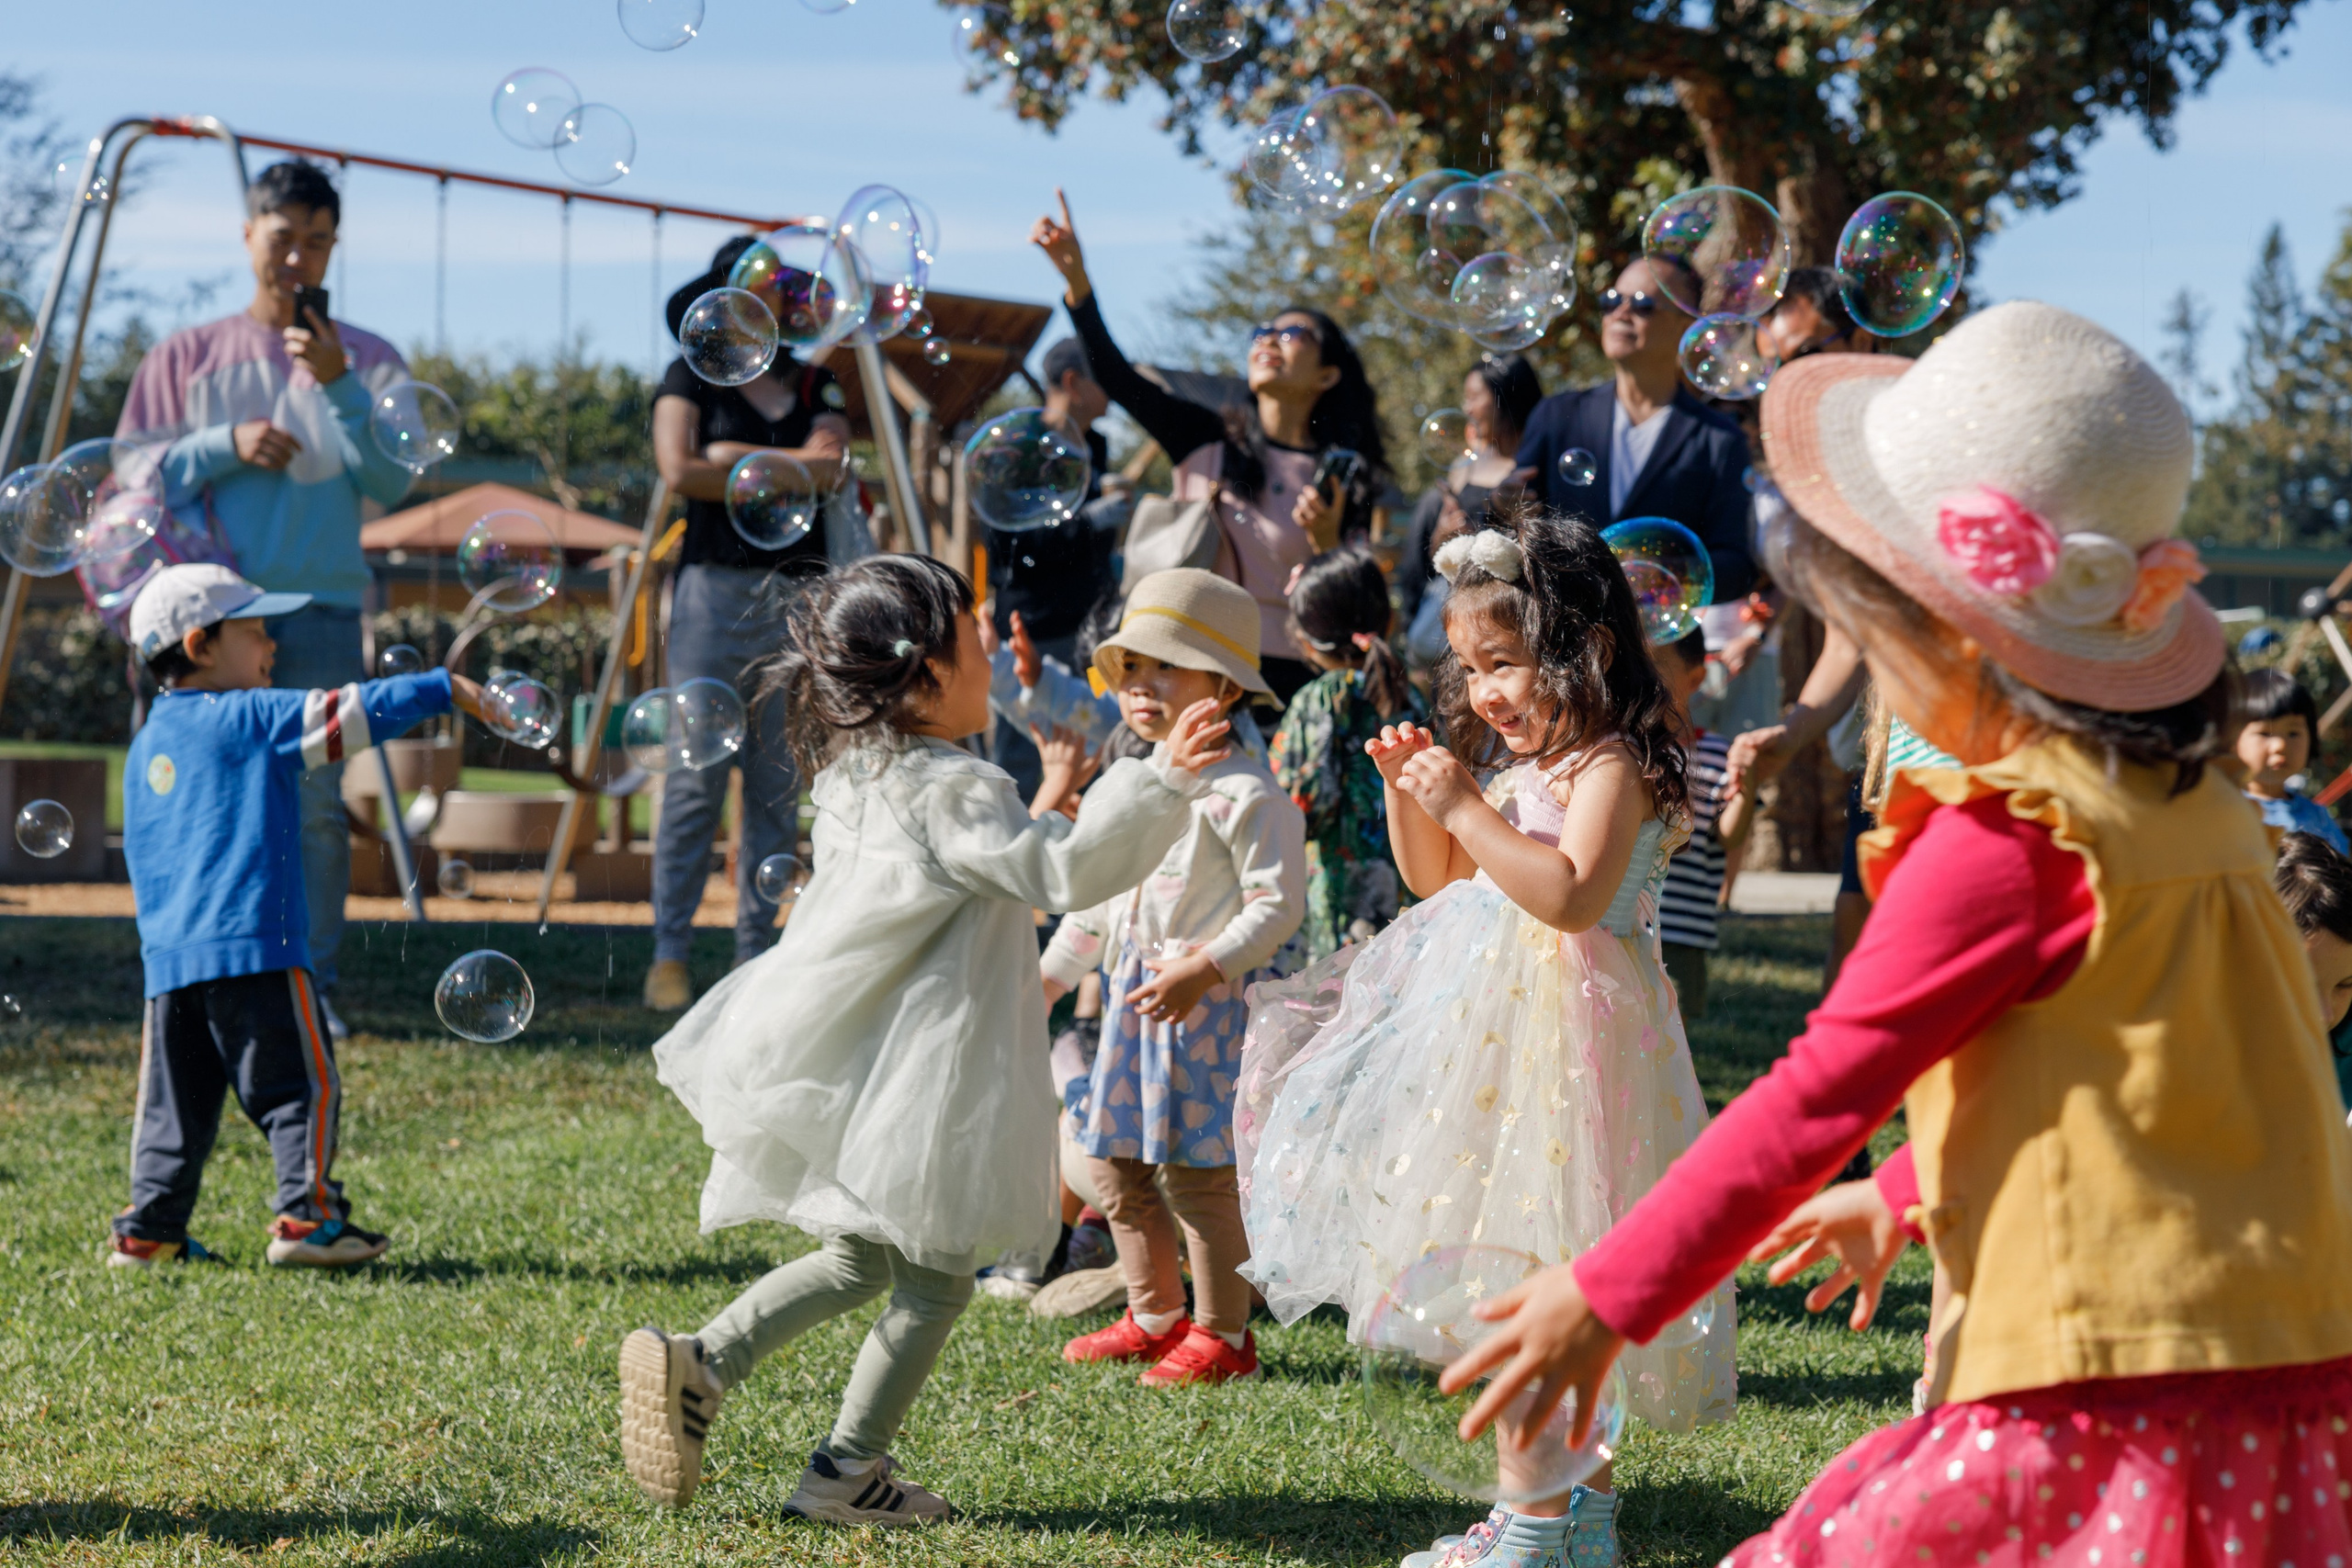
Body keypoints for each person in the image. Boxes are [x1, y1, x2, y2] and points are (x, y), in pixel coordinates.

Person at [1443, 302, 2352, 1568]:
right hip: (2288, 1403)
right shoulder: (2194, 806)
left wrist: (1603, 1293)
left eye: (1862, 627)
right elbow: (2171, 1084)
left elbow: (1820, 1091)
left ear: (1935, 624)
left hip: (2097, 1408)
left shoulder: (2011, 839)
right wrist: (1915, 1187)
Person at [621, 555, 1234, 1525]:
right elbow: (1059, 875)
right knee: (938, 1280)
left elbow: (979, 875)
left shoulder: (858, 771)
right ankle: (843, 1475)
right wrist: (1158, 782)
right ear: (926, 675)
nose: (989, 646)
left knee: (858, 1261)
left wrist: (1072, 785)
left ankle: (705, 1362)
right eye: (973, 634)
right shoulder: (955, 785)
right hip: (929, 1072)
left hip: (869, 1061)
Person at [1238, 509, 1736, 1568]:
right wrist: (1413, 796)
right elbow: (1442, 880)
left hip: (1577, 1051)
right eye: (1466, 670)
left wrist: (1465, 804)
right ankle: (1573, 1524)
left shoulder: (1612, 766)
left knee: (1544, 1273)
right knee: (1526, 1264)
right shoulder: (1523, 773)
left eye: (1501, 663)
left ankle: (1530, 1531)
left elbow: (1566, 895)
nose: (1481, 694)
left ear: (1584, 650)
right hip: (1501, 1052)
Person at [103, 160, 417, 1040]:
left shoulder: (372, 358)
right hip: (199, 619)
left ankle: (305, 994)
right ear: (249, 237)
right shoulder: (185, 358)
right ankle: (179, 980)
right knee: (182, 797)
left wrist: (341, 385)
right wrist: (222, 444)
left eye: (317, 242)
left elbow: (394, 479)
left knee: (313, 810)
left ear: (333, 247)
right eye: (284, 238)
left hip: (315, 611)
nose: (298, 259)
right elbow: (133, 472)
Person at [108, 565, 482, 1269]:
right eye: (256, 631)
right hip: (258, 949)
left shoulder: (145, 747)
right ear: (200, 645)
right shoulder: (249, 716)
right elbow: (349, 712)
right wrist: (439, 687)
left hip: (170, 963)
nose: (272, 646)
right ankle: (307, 1218)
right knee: (301, 1087)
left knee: (174, 1107)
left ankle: (149, 1230)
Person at [1042, 569, 1307, 1386]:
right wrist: (1048, 981)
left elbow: (1279, 905)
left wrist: (1206, 964)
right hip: (1132, 1002)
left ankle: (1224, 1333)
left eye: (1168, 667)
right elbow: (1097, 905)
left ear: (1224, 687)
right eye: (1130, 669)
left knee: (1199, 1180)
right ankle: (1156, 1312)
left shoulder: (1244, 793)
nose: (1142, 685)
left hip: (1202, 1010)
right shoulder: (1132, 785)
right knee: (1116, 1163)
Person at [1031, 190, 1390, 704]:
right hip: (1198, 669)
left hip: (1301, 680)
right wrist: (1078, 283)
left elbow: (1358, 605)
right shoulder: (1203, 438)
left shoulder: (1343, 473)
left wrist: (1327, 545)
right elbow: (1117, 375)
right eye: (1262, 331)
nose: (1268, 339)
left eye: (1292, 334)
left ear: (1327, 374)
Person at [642, 235, 857, 1013]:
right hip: (710, 595)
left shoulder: (814, 384)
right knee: (693, 782)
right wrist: (770, 458)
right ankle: (670, 953)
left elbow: (833, 466)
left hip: (795, 601)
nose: (764, 299)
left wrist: (728, 456)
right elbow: (679, 469)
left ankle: (754, 956)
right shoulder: (688, 375)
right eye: (748, 287)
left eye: (776, 288)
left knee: (775, 783)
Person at [1510, 258, 1755, 599]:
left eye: (1642, 305)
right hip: (1564, 644)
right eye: (1612, 300)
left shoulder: (1719, 440)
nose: (1620, 313)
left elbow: (1736, 565)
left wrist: (1656, 580)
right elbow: (1513, 525)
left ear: (1687, 326)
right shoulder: (1556, 416)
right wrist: (1498, 508)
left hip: (1657, 649)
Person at [1272, 547, 1428, 961]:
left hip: (1339, 889)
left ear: (1306, 642)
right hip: (1409, 876)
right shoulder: (1408, 696)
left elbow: (1299, 802)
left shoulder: (1316, 700)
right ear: (1388, 620)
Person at [986, 335, 1119, 799]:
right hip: (1032, 629)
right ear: (1073, 383)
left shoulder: (1095, 446)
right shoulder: (1020, 450)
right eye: (1106, 377)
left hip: (1091, 633)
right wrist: (1092, 522)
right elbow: (1011, 543)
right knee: (1022, 756)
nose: (1115, 389)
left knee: (1098, 750)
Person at [1651, 626, 1758, 1020]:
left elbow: (1731, 835)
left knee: (1674, 1043)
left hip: (1680, 933)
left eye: (1654, 667)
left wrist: (1746, 782)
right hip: (1618, 927)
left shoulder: (1716, 752)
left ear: (1695, 678)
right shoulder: (1619, 749)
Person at [1398, 355, 1546, 627]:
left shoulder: (1534, 472)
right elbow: (1435, 558)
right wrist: (1441, 537)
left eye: (1475, 397)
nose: (1467, 408)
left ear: (1505, 399)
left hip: (1508, 619)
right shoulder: (1463, 467)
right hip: (1457, 614)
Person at [2237, 666, 2349, 852]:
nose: (2280, 745)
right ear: (2231, 739)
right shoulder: (2223, 811)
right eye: (2265, 733)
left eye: (2293, 733)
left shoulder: (2318, 818)